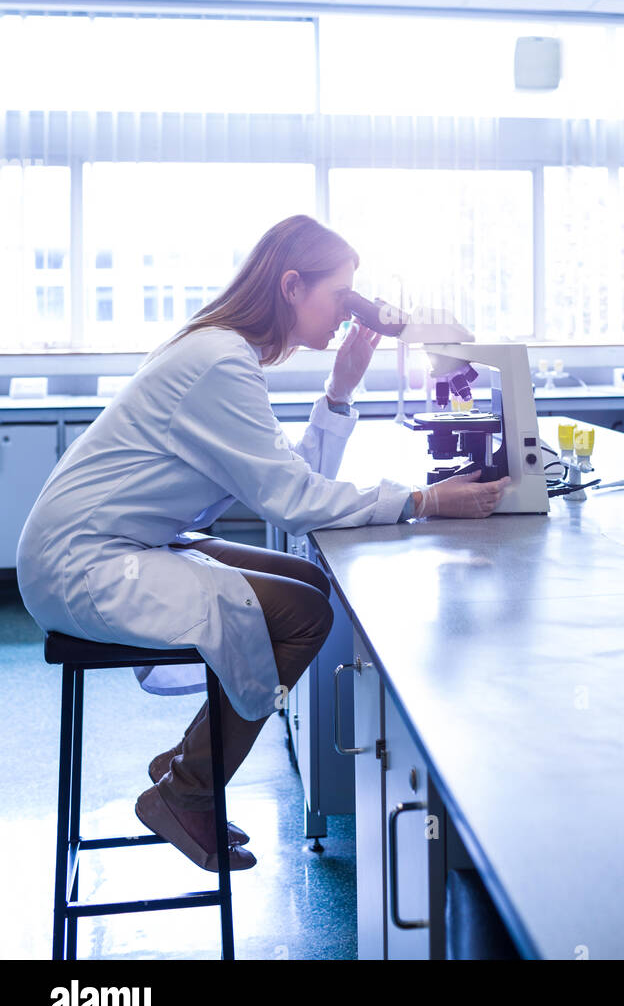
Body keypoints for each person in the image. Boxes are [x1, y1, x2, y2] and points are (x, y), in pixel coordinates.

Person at [16, 215, 508, 872]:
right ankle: (190, 786)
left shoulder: (225, 352)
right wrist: (422, 500)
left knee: (307, 584)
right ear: (292, 285)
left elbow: (295, 480)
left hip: (116, 543)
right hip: (80, 564)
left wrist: (340, 389)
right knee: (306, 614)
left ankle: (189, 763)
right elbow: (295, 501)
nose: (345, 314)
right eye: (340, 296)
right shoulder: (221, 361)